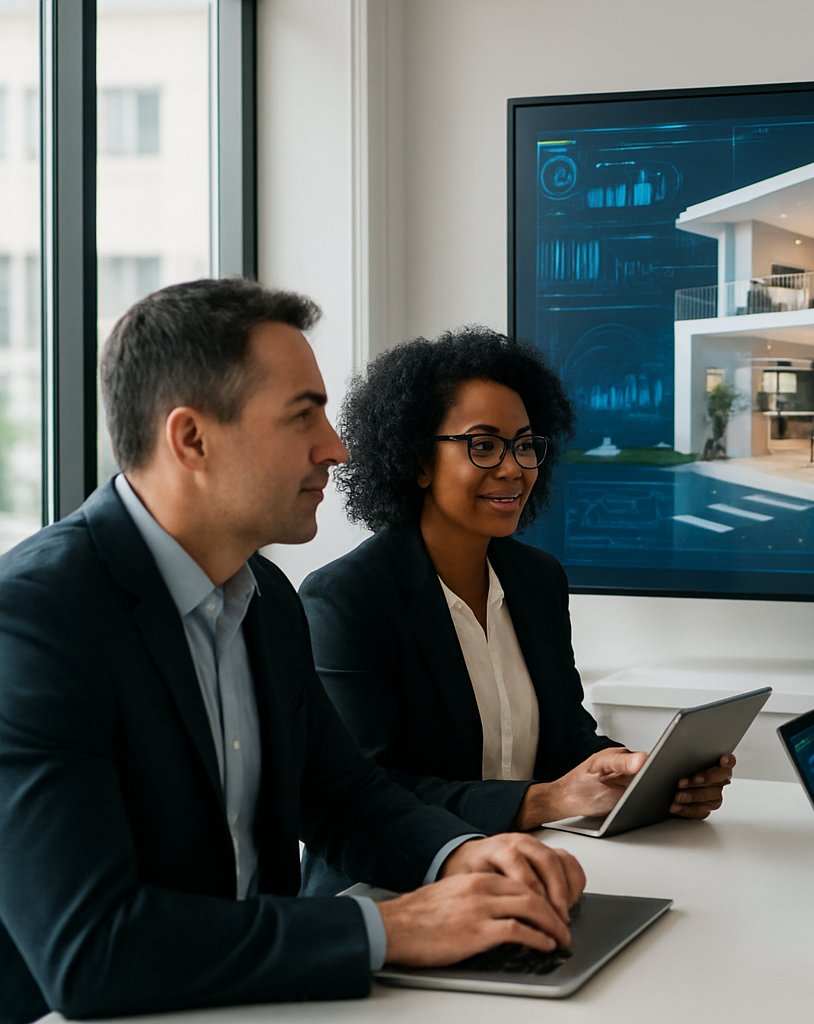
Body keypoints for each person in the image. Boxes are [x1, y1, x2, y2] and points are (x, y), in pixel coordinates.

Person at [0, 280, 587, 1024]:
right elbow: (92, 951)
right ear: (192, 440)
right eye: (302, 415)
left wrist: (465, 855)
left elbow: (347, 799)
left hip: (261, 997)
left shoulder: (266, 599)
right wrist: (392, 928)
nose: (335, 448)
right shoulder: (36, 619)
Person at [296, 326, 734, 898]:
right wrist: (546, 800)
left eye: (525, 444)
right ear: (417, 459)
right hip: (386, 894)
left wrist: (636, 775)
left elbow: (563, 736)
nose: (513, 468)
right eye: (484, 444)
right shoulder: (346, 599)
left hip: (522, 874)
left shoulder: (537, 580)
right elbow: (367, 792)